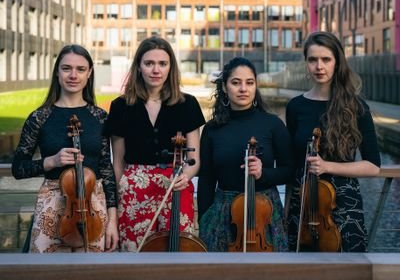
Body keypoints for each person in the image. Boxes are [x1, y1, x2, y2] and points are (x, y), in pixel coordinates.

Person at [11, 44, 119, 253]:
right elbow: (18, 168)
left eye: (80, 69)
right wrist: (52, 161)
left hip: (93, 205)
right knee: (44, 271)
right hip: (51, 202)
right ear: (57, 73)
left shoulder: (100, 117)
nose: (73, 75)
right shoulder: (39, 117)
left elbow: (106, 169)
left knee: (93, 272)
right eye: (66, 68)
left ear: (89, 74)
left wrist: (113, 220)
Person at [104, 36, 205, 252]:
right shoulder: (121, 106)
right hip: (133, 193)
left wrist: (185, 176)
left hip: (175, 188)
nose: (156, 70)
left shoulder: (188, 104)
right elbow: (118, 163)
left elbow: (194, 159)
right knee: (135, 255)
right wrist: (121, 194)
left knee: (177, 256)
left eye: (162, 64)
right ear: (139, 67)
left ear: (171, 67)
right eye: (149, 63)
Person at [285, 31, 381, 252]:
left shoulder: (356, 107)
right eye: (313, 60)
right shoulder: (295, 107)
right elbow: (293, 165)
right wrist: (288, 207)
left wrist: (327, 166)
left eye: (326, 59)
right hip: (303, 205)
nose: (319, 66)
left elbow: (373, 166)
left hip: (345, 204)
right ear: (306, 63)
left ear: (337, 62)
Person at [197, 57, 293, 252]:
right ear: (224, 87)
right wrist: (204, 221)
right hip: (222, 213)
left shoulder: (273, 124)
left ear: (255, 86)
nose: (243, 89)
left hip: (264, 212)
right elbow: (206, 180)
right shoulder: (212, 129)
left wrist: (264, 173)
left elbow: (290, 171)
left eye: (249, 83)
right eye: (235, 82)